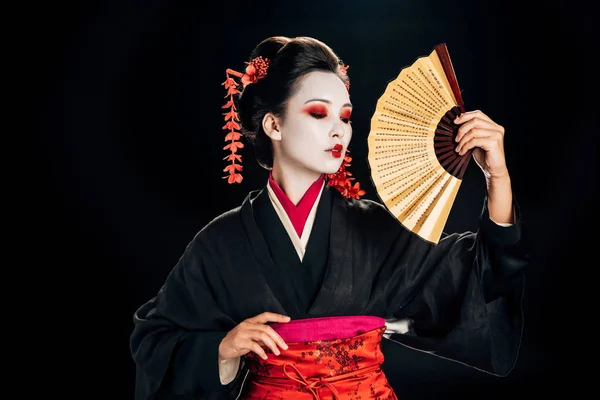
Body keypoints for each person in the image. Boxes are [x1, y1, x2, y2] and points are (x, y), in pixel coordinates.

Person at [130, 36, 528, 399]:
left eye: (345, 116)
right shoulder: (221, 243)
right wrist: (222, 348)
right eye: (319, 114)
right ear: (273, 124)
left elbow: (477, 278)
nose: (339, 130)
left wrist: (498, 177)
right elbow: (155, 340)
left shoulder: (375, 229)